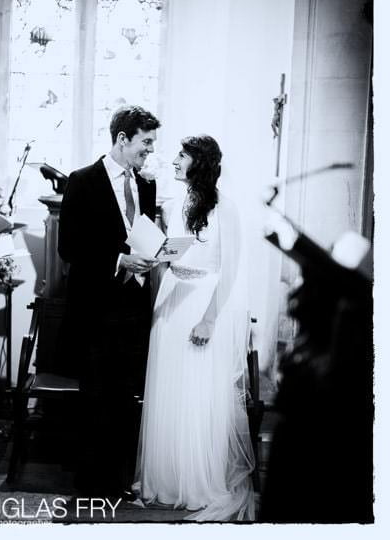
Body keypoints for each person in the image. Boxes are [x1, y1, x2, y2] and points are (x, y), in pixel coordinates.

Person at [134, 135, 255, 521]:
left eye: (181, 155)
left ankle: (195, 480)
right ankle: (166, 479)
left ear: (199, 162)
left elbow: (231, 269)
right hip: (172, 297)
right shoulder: (177, 204)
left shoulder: (227, 208)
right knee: (168, 388)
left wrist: (208, 318)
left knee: (195, 392)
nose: (173, 160)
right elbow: (174, 251)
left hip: (202, 302)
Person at [57, 105, 161, 499]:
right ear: (123, 139)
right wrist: (118, 259)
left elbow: (144, 234)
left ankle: (118, 482)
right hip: (96, 307)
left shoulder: (145, 185)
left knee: (125, 397)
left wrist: (154, 254)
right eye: (145, 143)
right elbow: (69, 247)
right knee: (96, 397)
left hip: (134, 307)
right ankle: (90, 486)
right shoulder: (82, 181)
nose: (149, 151)